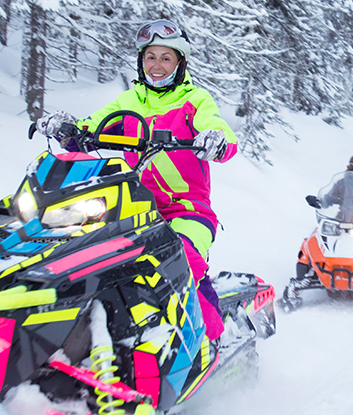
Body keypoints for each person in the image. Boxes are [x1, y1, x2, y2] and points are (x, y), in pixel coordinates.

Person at [41, 19, 238, 347]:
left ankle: (211, 341)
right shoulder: (129, 101)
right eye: (150, 57)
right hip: (131, 207)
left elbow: (217, 127)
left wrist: (216, 139)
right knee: (79, 257)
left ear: (179, 63)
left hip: (188, 210)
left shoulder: (196, 99)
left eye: (166, 58)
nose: (157, 66)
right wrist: (68, 129)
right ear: (140, 60)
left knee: (182, 259)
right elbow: (92, 127)